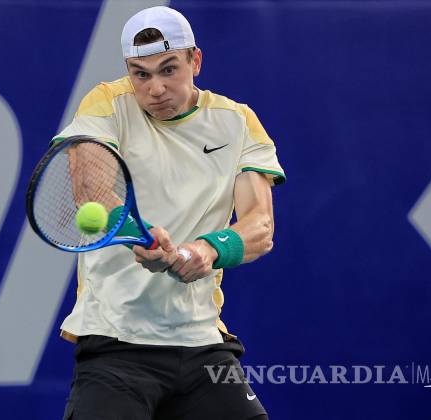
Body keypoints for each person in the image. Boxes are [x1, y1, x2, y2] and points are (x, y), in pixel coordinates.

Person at [52, 6, 285, 420]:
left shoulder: (237, 122)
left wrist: (205, 251)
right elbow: (92, 188)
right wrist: (138, 235)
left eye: (169, 69)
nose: (155, 88)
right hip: (116, 342)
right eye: (140, 74)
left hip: (202, 343)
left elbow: (260, 227)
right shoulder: (107, 103)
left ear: (195, 61)